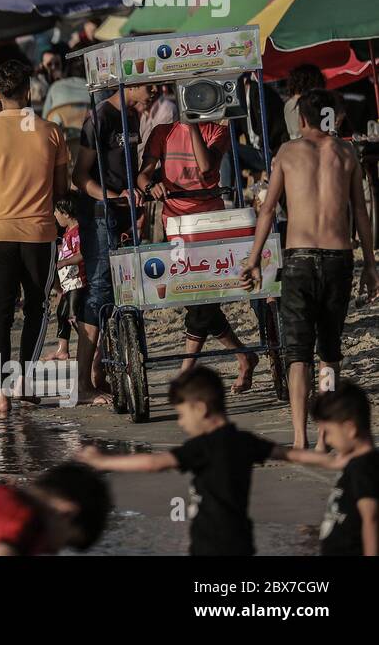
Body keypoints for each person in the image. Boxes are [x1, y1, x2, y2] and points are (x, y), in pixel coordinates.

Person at [242, 88, 379, 449]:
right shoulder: (347, 151)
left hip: (300, 258)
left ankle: (301, 439)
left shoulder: (287, 152)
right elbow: (360, 213)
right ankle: (325, 439)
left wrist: (254, 259)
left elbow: (268, 210)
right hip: (339, 258)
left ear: (301, 119)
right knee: (329, 354)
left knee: (298, 354)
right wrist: (370, 264)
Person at [79, 367, 340, 555]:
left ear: (200, 409)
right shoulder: (243, 440)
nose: (181, 423)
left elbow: (154, 464)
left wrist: (105, 463)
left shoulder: (202, 447)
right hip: (240, 540)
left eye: (182, 415)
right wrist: (332, 463)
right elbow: (290, 454)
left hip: (211, 542)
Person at [0, 59, 70, 416]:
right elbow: (61, 189)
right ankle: (24, 381)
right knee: (37, 308)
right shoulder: (52, 132)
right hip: (40, 233)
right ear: (28, 92)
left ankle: (1, 396)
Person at [136, 114, 258, 388]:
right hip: (176, 223)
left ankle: (188, 369)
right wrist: (149, 186)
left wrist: (191, 126)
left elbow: (206, 168)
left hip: (210, 223)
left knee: (203, 295)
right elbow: (143, 174)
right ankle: (243, 355)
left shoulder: (218, 131)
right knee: (196, 296)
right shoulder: (162, 132)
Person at [69, 80, 152, 407]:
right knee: (101, 289)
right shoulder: (100, 118)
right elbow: (80, 176)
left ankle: (101, 372)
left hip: (125, 213)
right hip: (100, 214)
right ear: (131, 84)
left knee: (125, 289)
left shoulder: (132, 117)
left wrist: (136, 203)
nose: (154, 93)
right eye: (150, 87)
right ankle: (82, 385)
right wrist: (113, 196)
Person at [313, 383, 379, 556]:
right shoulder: (356, 463)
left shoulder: (364, 469)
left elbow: (371, 520)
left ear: (350, 429)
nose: (327, 440)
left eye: (329, 432)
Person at [50, 197, 85, 363]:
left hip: (77, 281)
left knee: (73, 315)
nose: (55, 215)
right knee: (62, 313)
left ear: (66, 214)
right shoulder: (67, 233)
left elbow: (81, 255)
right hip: (68, 282)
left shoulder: (77, 232)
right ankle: (62, 349)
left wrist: (63, 262)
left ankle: (92, 345)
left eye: (57, 212)